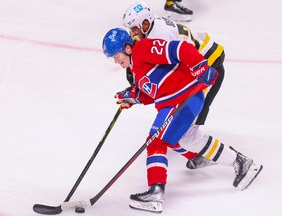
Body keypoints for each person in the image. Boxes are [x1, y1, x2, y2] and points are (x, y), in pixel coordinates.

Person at [102, 28, 263, 213]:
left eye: (116, 55)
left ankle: (155, 192)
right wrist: (132, 97)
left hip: (182, 98)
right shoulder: (137, 69)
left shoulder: (143, 49)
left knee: (155, 142)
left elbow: (180, 49)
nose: (116, 60)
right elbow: (151, 93)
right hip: (179, 101)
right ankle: (242, 163)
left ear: (128, 47)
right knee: (188, 138)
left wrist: (200, 66)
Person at [122, 1, 225, 169]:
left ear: (145, 24)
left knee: (187, 120)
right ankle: (201, 154)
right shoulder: (151, 29)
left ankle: (223, 157)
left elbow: (173, 71)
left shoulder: (160, 35)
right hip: (204, 58)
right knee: (181, 121)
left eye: (134, 29)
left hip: (210, 64)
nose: (132, 34)